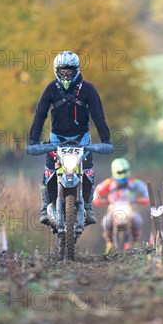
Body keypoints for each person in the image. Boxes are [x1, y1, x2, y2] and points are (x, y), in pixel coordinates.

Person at [29, 51, 111, 226]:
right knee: (49, 172)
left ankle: (87, 206)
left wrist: (106, 140)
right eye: (62, 71)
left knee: (87, 171)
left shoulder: (88, 89)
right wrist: (34, 141)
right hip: (57, 139)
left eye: (70, 71)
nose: (66, 75)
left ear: (77, 70)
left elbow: (98, 115)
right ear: (56, 71)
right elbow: (40, 114)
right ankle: (45, 207)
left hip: (82, 139)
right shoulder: (50, 89)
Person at [93, 158, 150, 252]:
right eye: (120, 171)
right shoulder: (109, 183)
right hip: (113, 209)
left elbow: (145, 190)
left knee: (137, 220)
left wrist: (142, 199)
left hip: (130, 208)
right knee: (106, 222)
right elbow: (97, 193)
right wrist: (99, 200)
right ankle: (109, 243)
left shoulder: (133, 182)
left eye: (124, 171)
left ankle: (136, 242)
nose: (122, 174)